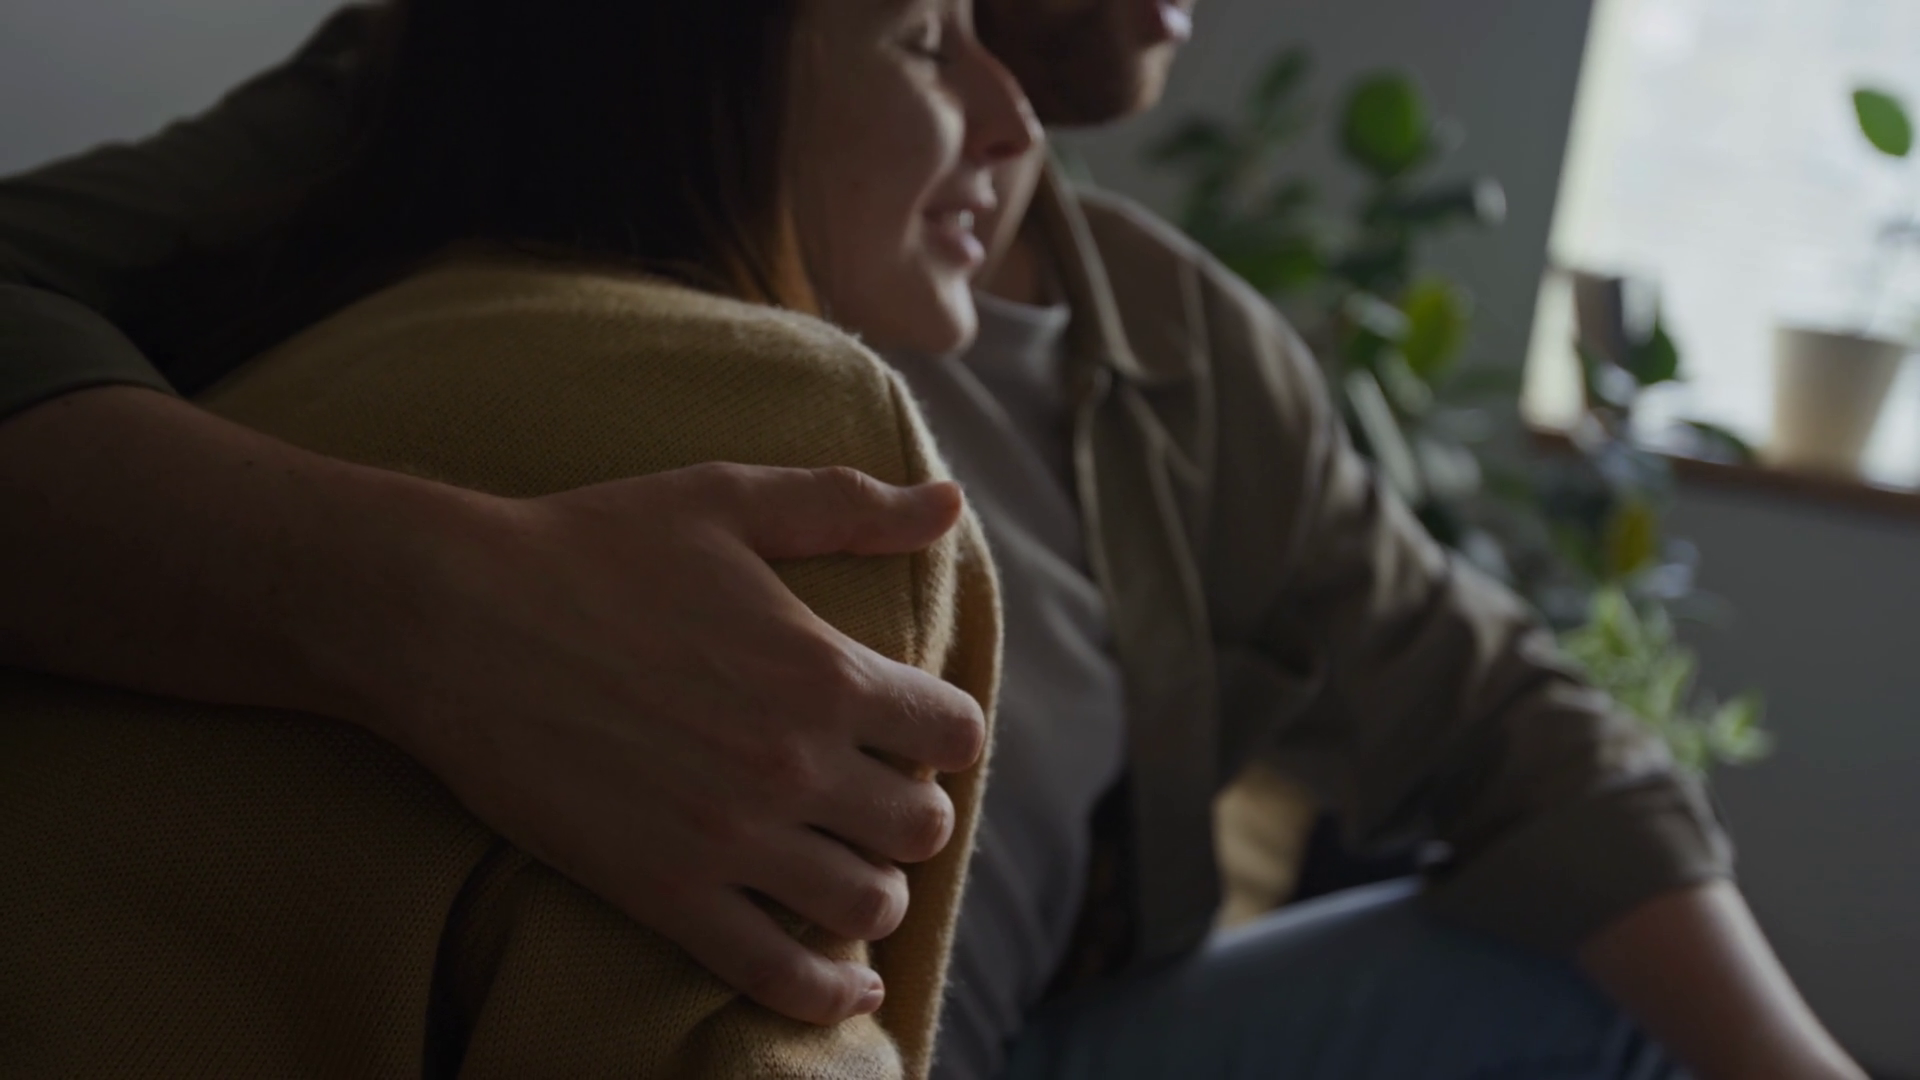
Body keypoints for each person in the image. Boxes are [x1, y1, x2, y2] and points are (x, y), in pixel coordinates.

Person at [0, 3, 1870, 1080]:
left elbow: (1516, 723)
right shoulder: (517, 102)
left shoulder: (1176, 336)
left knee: (1592, 997)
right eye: (921, 34)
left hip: (1023, 1040)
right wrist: (436, 608)